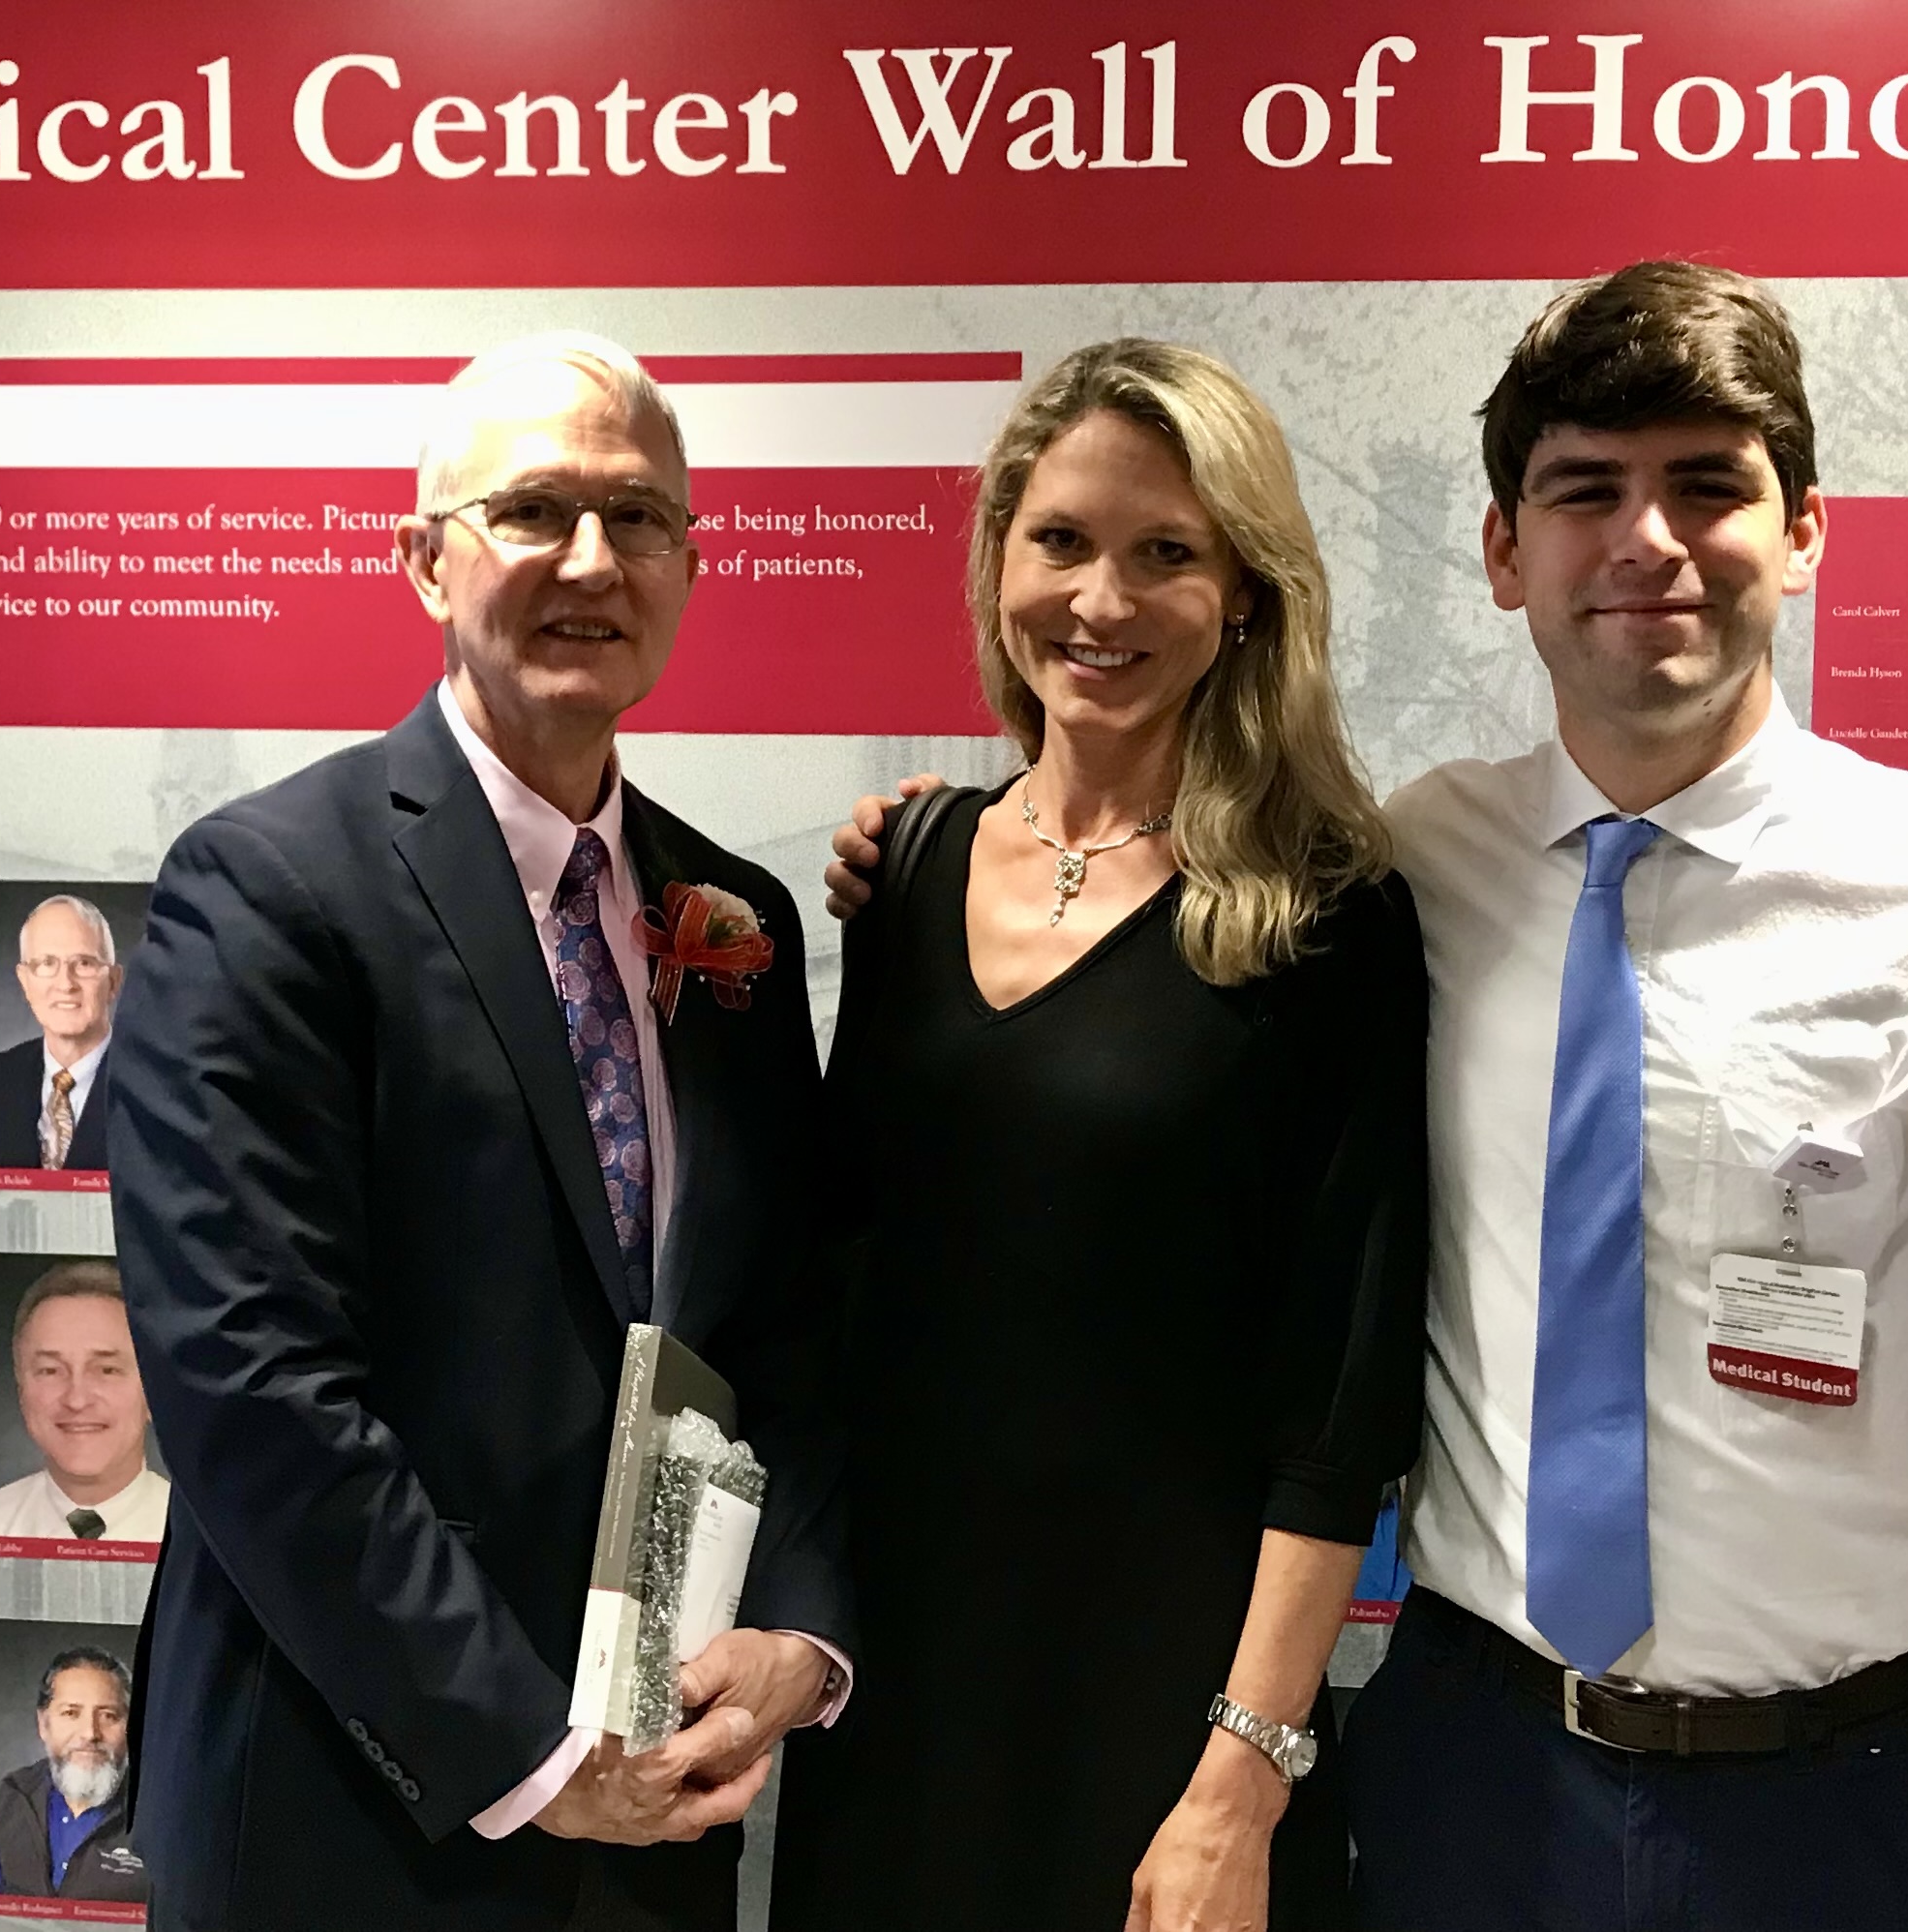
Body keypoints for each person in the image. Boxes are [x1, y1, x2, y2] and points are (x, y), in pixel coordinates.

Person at [833, 264, 1908, 1932]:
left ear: (1802, 534)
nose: (1646, 541)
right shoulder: (1414, 869)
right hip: (1472, 1776)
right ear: (1506, 552)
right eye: (1585, 490)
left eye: (1708, 484)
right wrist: (908, 840)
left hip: (1851, 1804)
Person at [102, 333, 853, 1932]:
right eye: (534, 510)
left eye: (640, 518)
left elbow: (788, 1329)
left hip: (658, 1793)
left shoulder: (734, 920)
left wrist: (796, 1632)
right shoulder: (266, 893)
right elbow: (250, 1384)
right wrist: (526, 1742)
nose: (593, 559)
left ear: (691, 566)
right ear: (424, 561)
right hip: (352, 1795)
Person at [771, 340, 1426, 1932]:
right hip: (891, 1697)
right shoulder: (911, 863)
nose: (1101, 601)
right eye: (1059, 539)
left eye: (1166, 554)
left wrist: (1241, 1779)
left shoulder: (1328, 917)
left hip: (1165, 1720)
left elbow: (1340, 1401)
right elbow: (846, 1282)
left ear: (1246, 596)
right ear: (1000, 551)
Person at [0, 1260, 171, 1544]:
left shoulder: (205, 1544)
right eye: (50, 1371)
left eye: (107, 1370)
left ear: (153, 1391)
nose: (77, 1400)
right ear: (21, 1388)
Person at [0, 1646, 153, 1902]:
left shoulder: (160, 1815)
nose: (90, 1733)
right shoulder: (13, 1795)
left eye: (108, 1716)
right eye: (71, 1713)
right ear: (44, 1725)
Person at [0, 894, 121, 1171]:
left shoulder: (159, 1087)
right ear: (25, 982)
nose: (65, 983)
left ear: (113, 982)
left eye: (84, 963)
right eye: (47, 964)